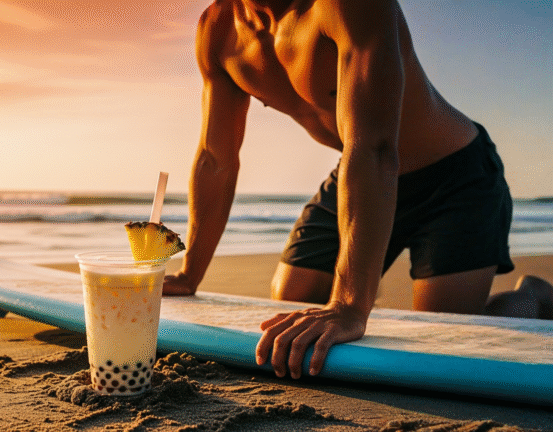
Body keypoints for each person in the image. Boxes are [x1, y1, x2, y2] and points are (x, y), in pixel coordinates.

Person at [161, 0, 553, 380]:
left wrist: (349, 305)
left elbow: (377, 146)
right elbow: (216, 157)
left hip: (451, 177)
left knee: (445, 334)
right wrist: (188, 273)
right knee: (289, 304)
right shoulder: (218, 30)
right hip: (358, 168)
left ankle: (533, 295)